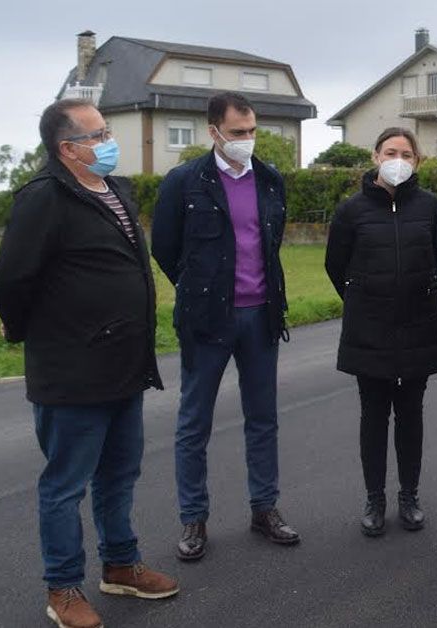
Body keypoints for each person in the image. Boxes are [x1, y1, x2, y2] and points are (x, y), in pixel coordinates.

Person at [0, 98, 177, 628]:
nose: (108, 142)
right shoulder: (44, 198)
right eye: (96, 136)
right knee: (66, 484)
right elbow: (9, 278)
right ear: (67, 148)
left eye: (106, 131)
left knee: (120, 473)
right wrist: (24, 328)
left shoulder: (116, 189)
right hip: (71, 371)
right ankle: (63, 588)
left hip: (124, 364)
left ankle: (120, 564)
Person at [152, 92, 298, 561]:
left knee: (263, 418)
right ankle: (193, 519)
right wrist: (199, 288)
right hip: (207, 319)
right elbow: (165, 248)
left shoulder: (271, 180)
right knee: (194, 423)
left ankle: (264, 508)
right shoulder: (183, 182)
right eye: (238, 133)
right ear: (213, 131)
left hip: (261, 316)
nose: (247, 140)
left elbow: (271, 242)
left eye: (252, 131)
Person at [324, 127, 437, 536]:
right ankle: (374, 499)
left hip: (419, 327)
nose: (399, 159)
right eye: (391, 151)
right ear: (376, 156)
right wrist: (362, 297)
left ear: (417, 161)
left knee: (411, 415)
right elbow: (335, 266)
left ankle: (408, 496)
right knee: (373, 416)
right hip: (369, 330)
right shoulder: (351, 210)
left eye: (407, 154)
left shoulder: (431, 207)